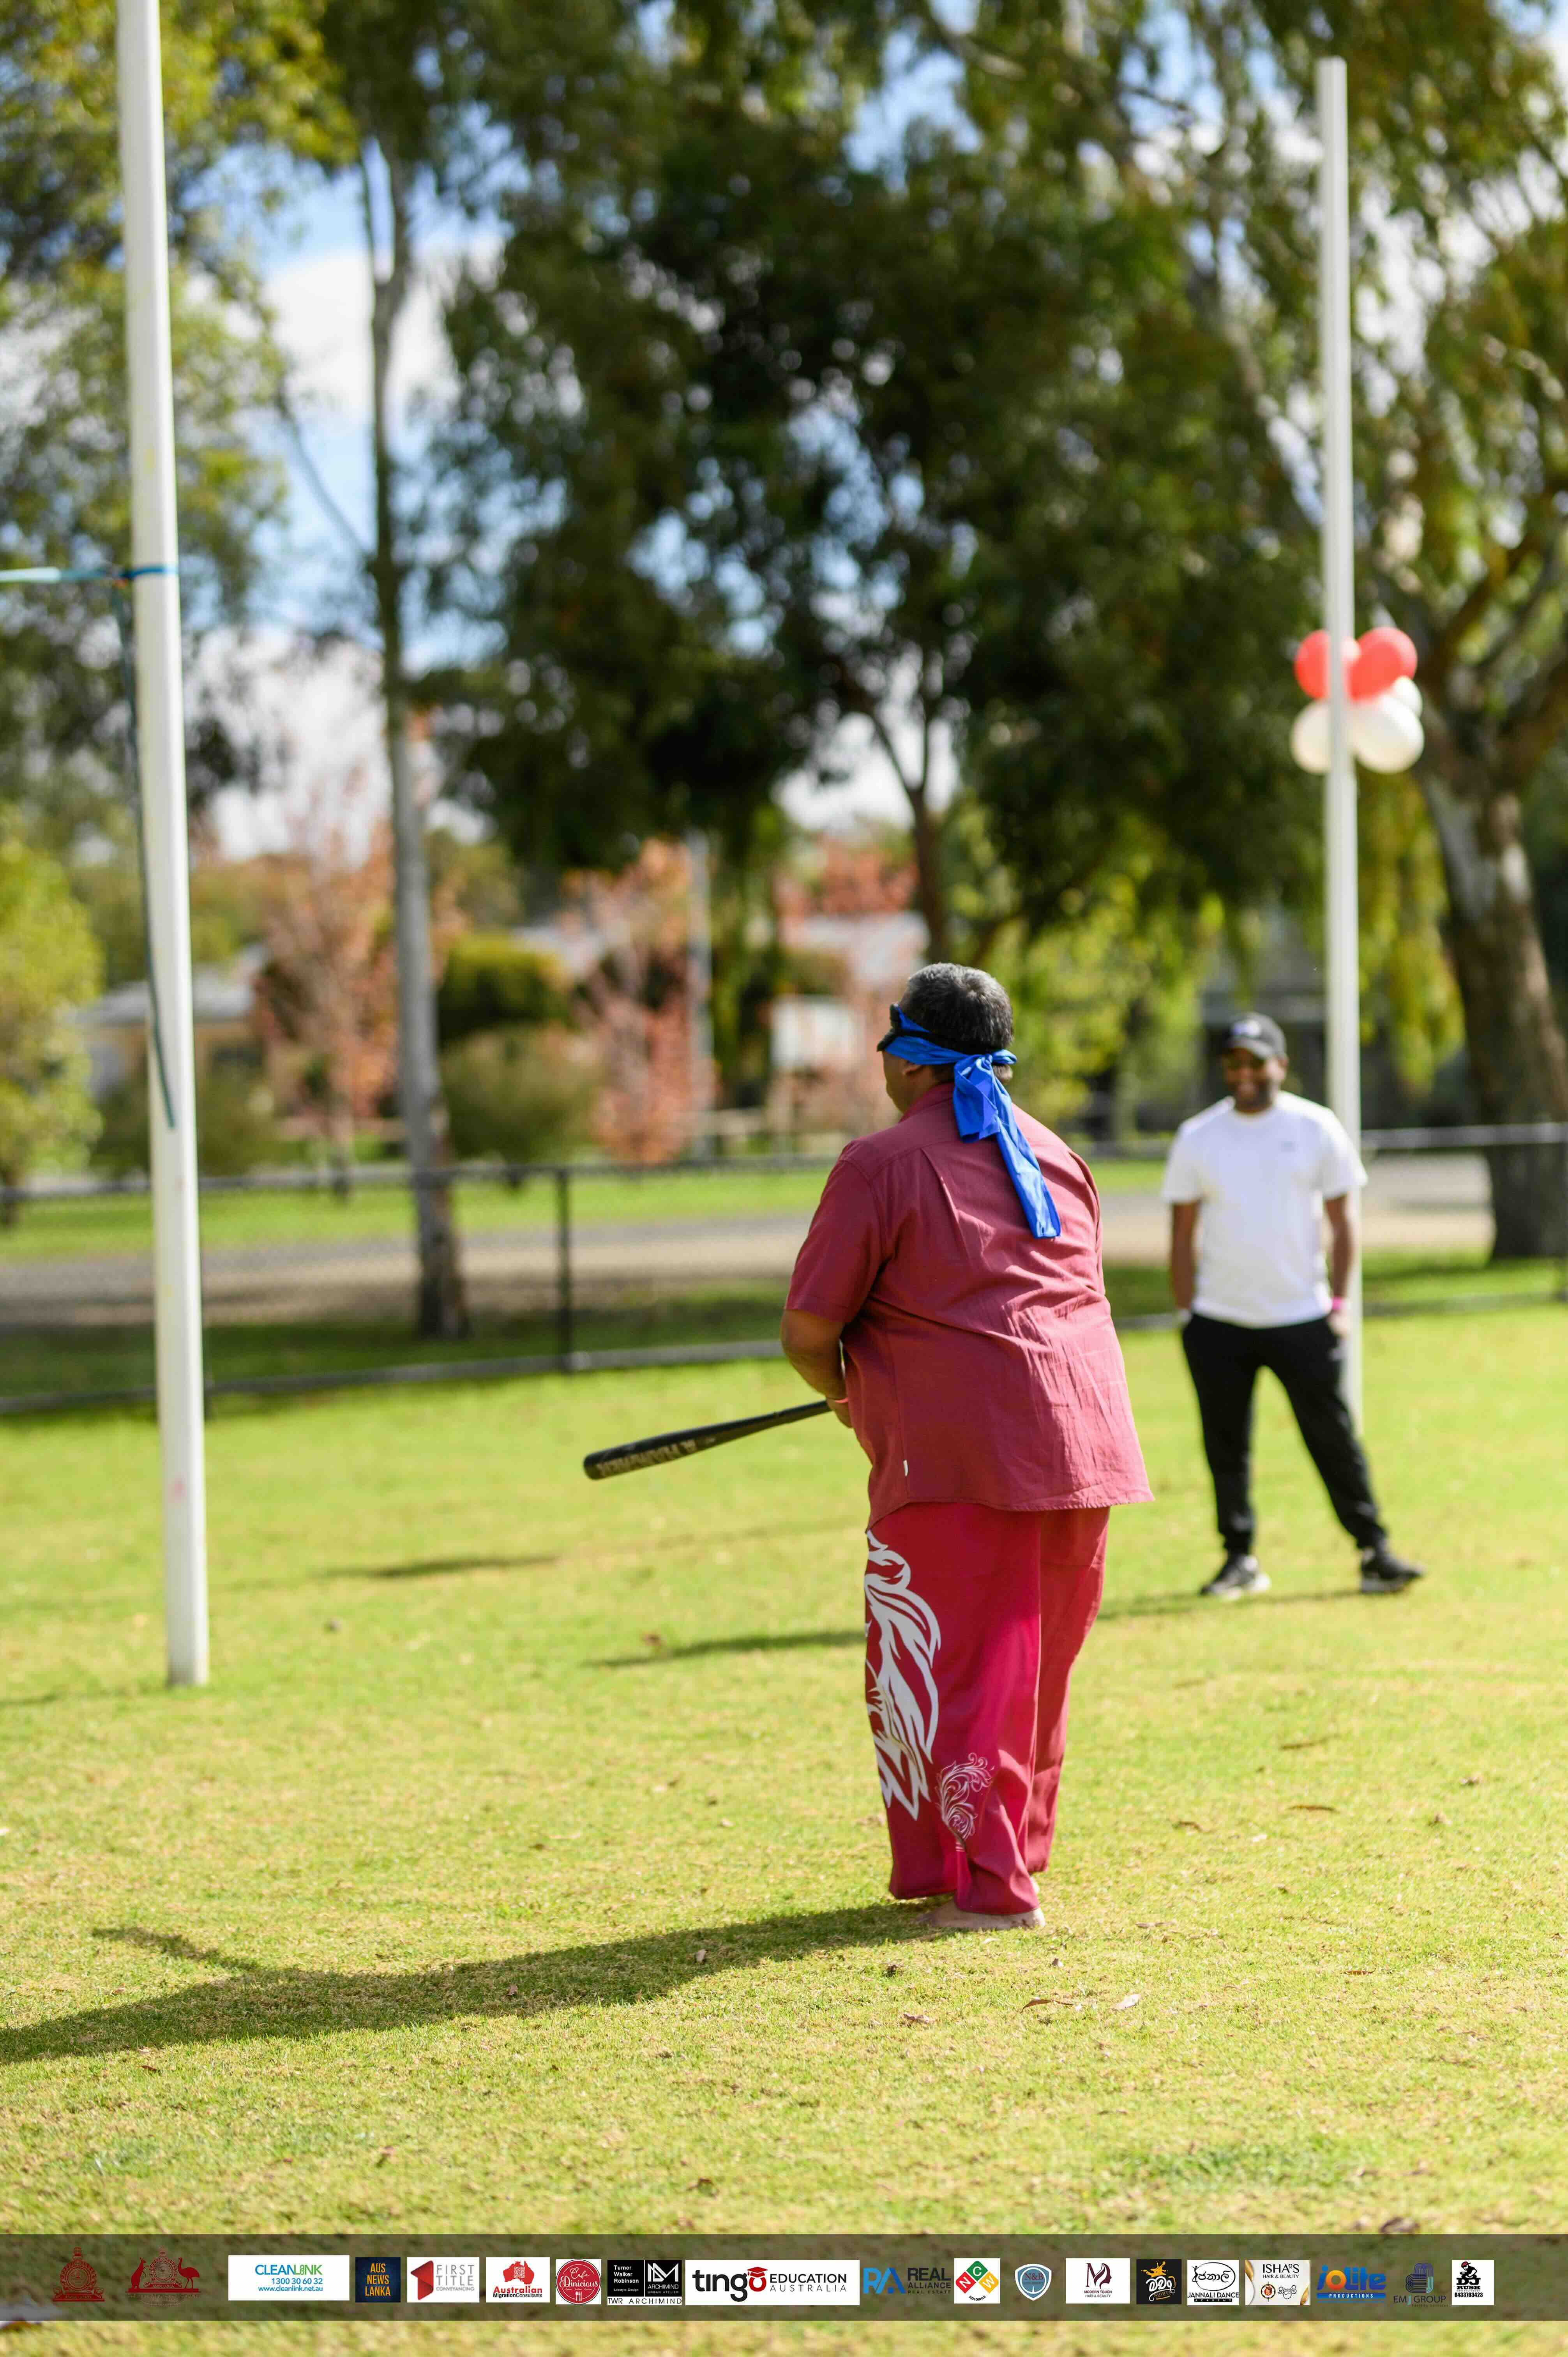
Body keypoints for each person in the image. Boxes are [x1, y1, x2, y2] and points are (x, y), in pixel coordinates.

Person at [780, 962, 1150, 1935]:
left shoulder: (878, 1164)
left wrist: (846, 1393)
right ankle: (1003, 1864)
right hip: (1082, 1443)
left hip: (958, 1458)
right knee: (1033, 1668)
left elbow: (809, 1330)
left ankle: (988, 1893)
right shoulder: (1061, 1156)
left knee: (958, 1665)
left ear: (911, 1061)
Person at [1162, 1011, 1426, 1600]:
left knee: (1333, 1438)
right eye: (1234, 1063)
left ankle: (1373, 1550)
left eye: (1257, 1061)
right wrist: (1188, 1314)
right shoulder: (1198, 1137)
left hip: (1302, 1317)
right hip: (1219, 1320)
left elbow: (1344, 1224)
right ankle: (1239, 1559)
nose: (1245, 1073)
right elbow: (1181, 1235)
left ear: (1281, 1065)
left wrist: (1339, 1303)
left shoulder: (1316, 1128)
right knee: (1225, 1444)